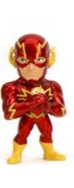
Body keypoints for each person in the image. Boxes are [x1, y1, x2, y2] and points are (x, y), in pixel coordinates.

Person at [1, 33, 66, 164]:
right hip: (28, 117)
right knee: (22, 133)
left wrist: (47, 105)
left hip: (43, 116)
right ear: (14, 60)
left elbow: (61, 111)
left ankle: (49, 152)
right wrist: (31, 103)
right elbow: (9, 113)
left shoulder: (52, 86)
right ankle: (17, 153)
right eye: (23, 60)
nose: (31, 68)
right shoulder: (11, 87)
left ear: (49, 60)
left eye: (39, 60)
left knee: (47, 132)